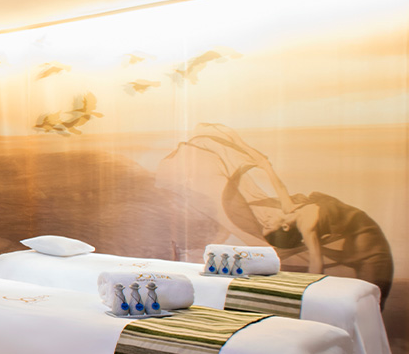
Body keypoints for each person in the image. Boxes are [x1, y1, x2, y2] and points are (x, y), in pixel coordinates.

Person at [161, 123, 394, 306]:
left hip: (366, 240)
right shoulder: (298, 216)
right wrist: (310, 291)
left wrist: (263, 164)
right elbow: (315, 259)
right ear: (285, 227)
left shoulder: (297, 216)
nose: (267, 221)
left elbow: (279, 187)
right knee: (370, 300)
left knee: (372, 298)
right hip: (364, 241)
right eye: (268, 225)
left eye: (268, 225)